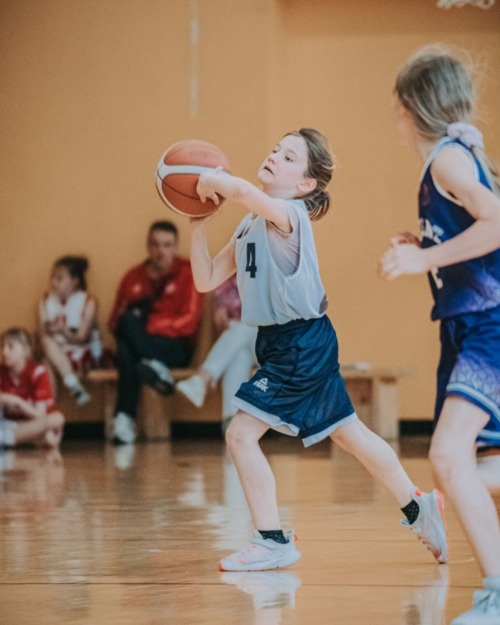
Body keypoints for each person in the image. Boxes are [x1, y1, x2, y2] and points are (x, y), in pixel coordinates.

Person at [188, 127, 448, 572]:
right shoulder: (250, 224)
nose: (275, 156)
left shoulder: (290, 215)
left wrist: (209, 179)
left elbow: (243, 191)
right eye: (276, 149)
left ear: (305, 184)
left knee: (240, 434)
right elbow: (206, 278)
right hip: (286, 342)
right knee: (349, 433)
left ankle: (272, 541)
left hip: (299, 344)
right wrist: (197, 222)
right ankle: (417, 505)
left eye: (289, 157)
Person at [379, 45, 500, 625]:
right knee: (461, 467)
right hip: (465, 328)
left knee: (450, 458)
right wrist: (427, 246)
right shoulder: (446, 161)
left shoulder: (448, 159)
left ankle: (497, 593)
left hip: (489, 326)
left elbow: (497, 223)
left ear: (409, 108)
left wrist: (423, 260)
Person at [108, 220, 204, 445]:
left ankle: (124, 418)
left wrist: (151, 325)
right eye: (155, 244)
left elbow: (189, 322)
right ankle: (154, 370)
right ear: (148, 246)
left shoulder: (189, 273)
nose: (160, 251)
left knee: (129, 347)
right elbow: (114, 322)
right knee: (127, 329)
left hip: (176, 348)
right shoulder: (133, 277)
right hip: (142, 347)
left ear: (176, 246)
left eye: (167, 245)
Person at [176, 274, 258, 433]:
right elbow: (222, 314)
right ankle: (232, 422)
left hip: (278, 349)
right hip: (248, 345)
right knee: (240, 356)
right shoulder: (229, 278)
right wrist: (220, 310)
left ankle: (203, 379)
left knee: (242, 328)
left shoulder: (277, 271)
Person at [37, 255, 98, 406]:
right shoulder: (44, 300)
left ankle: (49, 412)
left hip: (79, 351)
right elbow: (42, 332)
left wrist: (62, 330)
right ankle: (71, 386)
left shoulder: (88, 301)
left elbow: (81, 337)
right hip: (56, 350)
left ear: (75, 280)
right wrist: (50, 328)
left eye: (59, 278)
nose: (53, 282)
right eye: (52, 278)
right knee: (46, 350)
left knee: (47, 360)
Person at [0, 327, 65, 448]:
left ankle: (6, 439)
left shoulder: (37, 372)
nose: (4, 352)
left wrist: (17, 401)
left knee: (57, 419)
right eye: (2, 347)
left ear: (26, 351)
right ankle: (17, 439)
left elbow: (39, 415)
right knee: (48, 438)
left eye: (10, 347)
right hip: (9, 424)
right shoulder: (2, 372)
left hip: (32, 424)